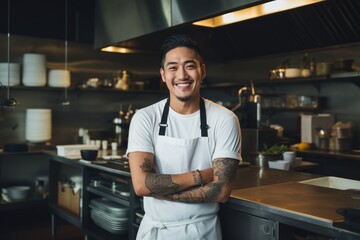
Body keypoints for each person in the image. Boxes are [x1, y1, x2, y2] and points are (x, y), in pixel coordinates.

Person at [126, 34, 242, 240]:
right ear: (163, 75)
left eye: (190, 66)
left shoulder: (224, 119)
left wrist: (160, 190)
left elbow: (221, 191)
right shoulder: (145, 118)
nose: (182, 75)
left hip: (202, 231)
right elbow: (141, 185)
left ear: (202, 71)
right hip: (155, 231)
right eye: (173, 67)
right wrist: (202, 176)